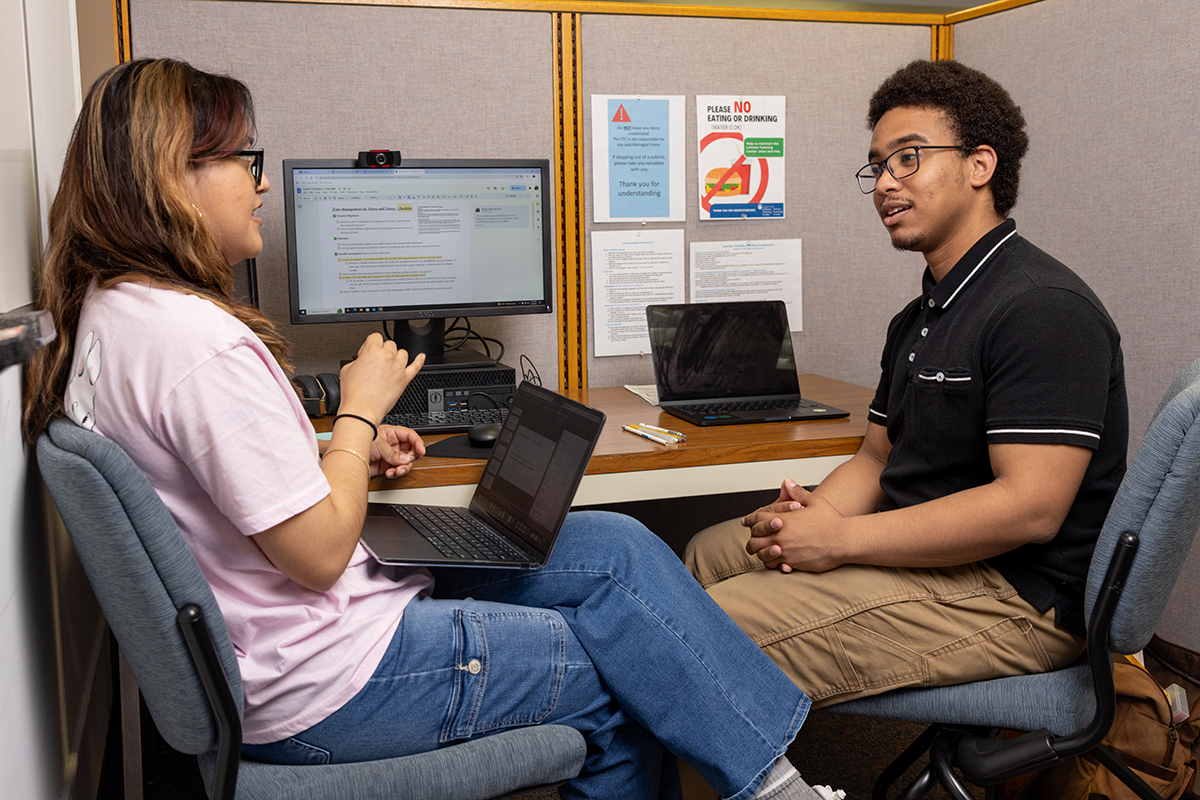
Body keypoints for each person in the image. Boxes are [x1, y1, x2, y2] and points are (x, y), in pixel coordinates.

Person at [21, 58, 847, 800]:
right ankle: (772, 787)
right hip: (330, 677)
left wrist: (332, 450)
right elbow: (316, 556)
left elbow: (201, 472)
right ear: (172, 176)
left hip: (296, 643)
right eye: (244, 161)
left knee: (620, 548)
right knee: (617, 668)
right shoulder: (195, 343)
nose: (260, 182)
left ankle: (770, 780)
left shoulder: (115, 317)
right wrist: (357, 412)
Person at [685, 59, 1128, 708]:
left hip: (1018, 593)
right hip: (929, 554)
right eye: (878, 166)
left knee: (706, 635)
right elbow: (877, 456)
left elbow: (1030, 508)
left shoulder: (1042, 308)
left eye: (909, 158)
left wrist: (840, 540)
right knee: (707, 554)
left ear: (981, 165)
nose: (885, 183)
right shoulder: (922, 314)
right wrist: (814, 517)